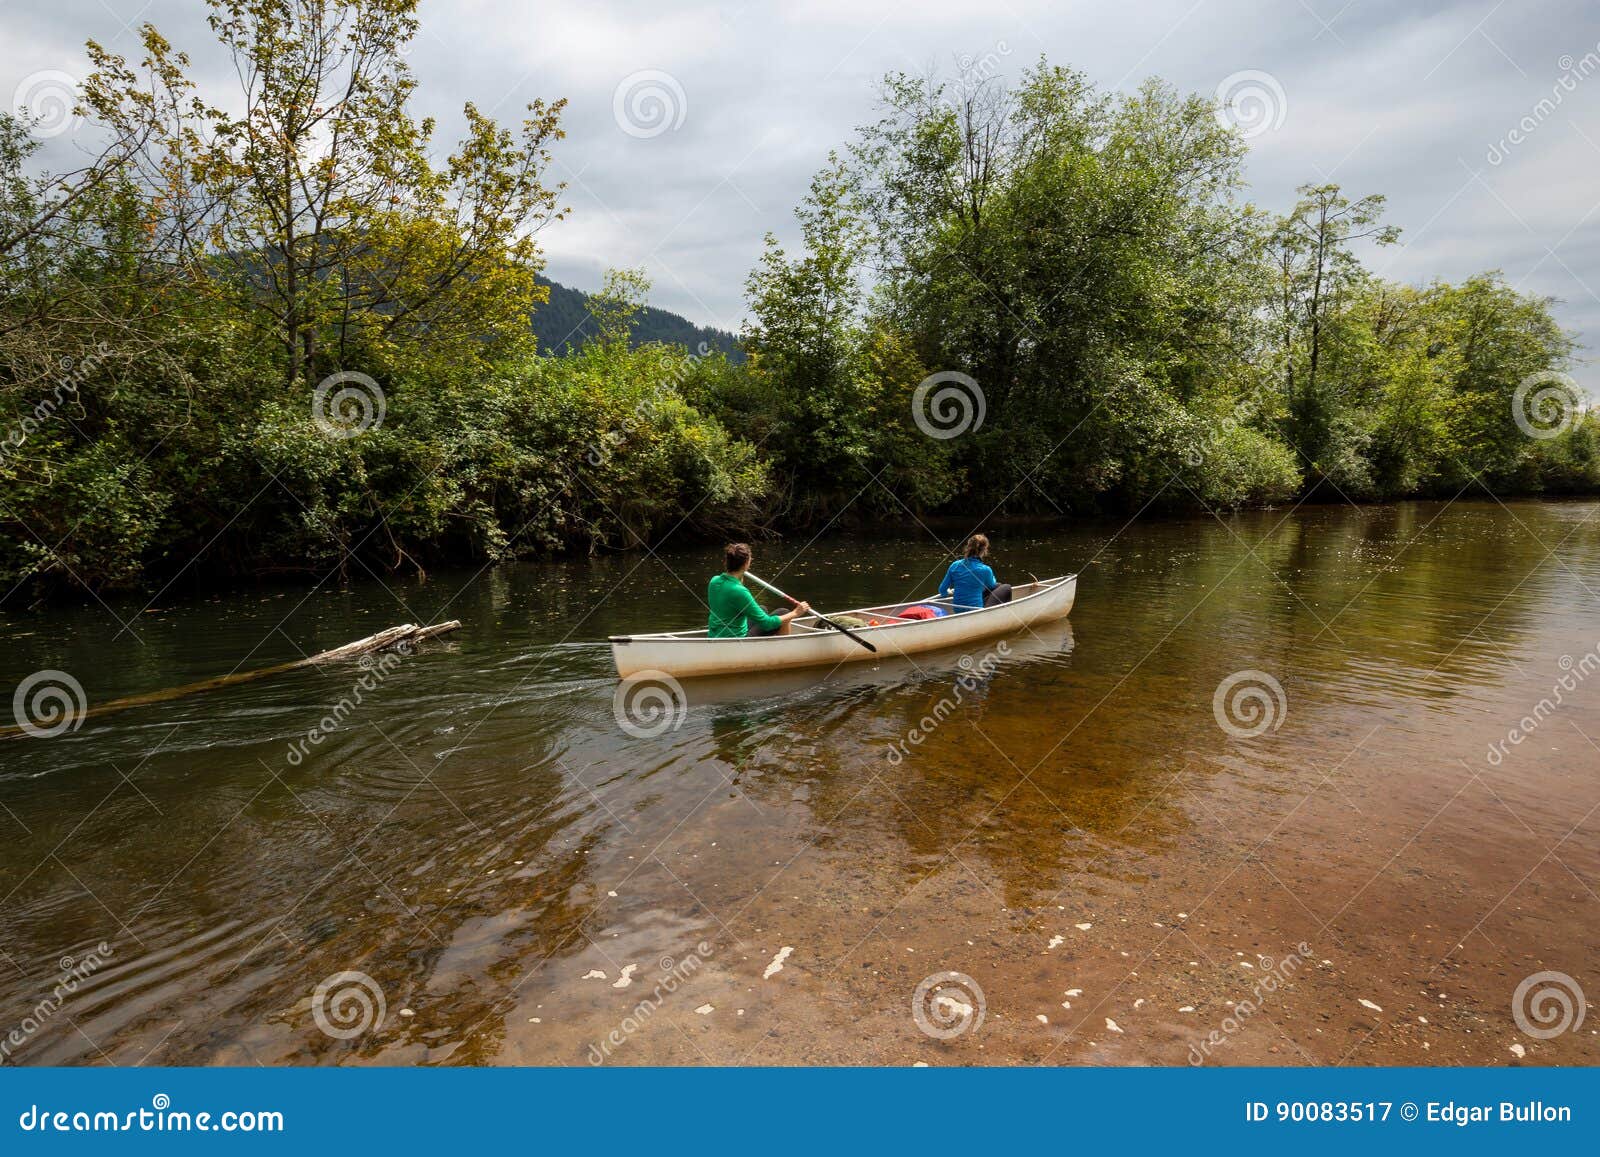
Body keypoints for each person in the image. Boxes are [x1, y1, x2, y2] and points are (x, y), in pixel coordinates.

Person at [708, 543, 810, 637]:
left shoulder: (714, 581)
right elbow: (767, 624)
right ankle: (783, 648)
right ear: (746, 564)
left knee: (762, 609)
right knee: (783, 612)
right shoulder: (740, 591)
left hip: (715, 634)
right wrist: (795, 613)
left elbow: (732, 597)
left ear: (726, 562)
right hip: (736, 639)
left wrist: (740, 578)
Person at [938, 533, 1012, 612]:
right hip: (975, 610)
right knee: (1006, 587)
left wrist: (947, 592)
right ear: (984, 550)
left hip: (957, 610)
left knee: (996, 585)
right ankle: (1004, 613)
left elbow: (942, 590)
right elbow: (991, 585)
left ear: (968, 547)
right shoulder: (985, 569)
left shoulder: (955, 565)